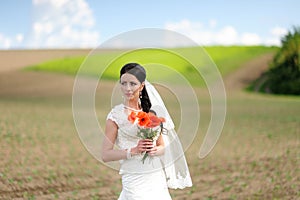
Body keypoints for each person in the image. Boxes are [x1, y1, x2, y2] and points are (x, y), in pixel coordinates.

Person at [101, 63, 192, 200]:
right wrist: (133, 151)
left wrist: (155, 150)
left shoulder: (152, 114)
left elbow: (163, 147)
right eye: (123, 83)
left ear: (142, 86)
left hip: (155, 176)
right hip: (133, 176)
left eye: (132, 84)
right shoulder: (115, 115)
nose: (128, 88)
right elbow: (106, 155)